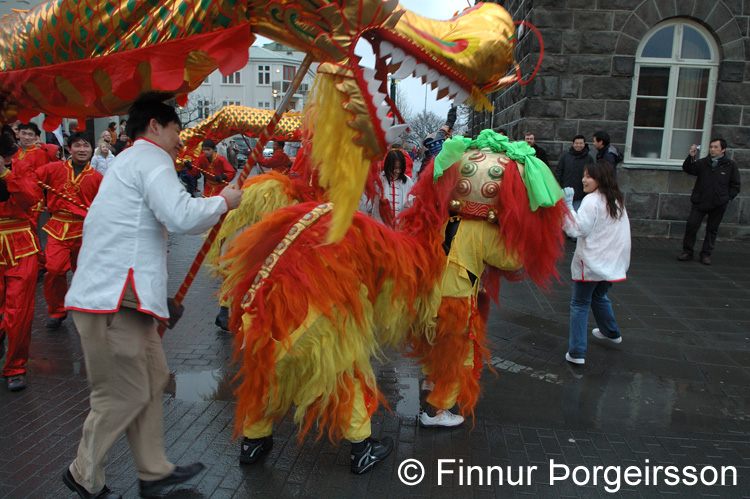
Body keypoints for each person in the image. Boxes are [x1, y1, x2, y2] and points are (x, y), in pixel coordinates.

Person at [62, 92, 243, 499]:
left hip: (128, 300)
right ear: (156, 126)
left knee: (155, 378)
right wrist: (223, 201)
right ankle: (83, 472)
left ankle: (153, 471)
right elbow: (179, 215)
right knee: (122, 393)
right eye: (178, 131)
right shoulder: (149, 157)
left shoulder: (130, 161)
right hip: (112, 300)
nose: (181, 140)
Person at [562, 160, 631, 365]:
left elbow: (576, 230)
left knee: (580, 303)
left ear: (600, 178)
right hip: (613, 262)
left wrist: (566, 206)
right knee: (599, 296)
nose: (584, 179)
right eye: (584, 175)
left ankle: (576, 352)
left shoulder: (592, 201)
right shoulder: (616, 199)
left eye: (589, 176)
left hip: (593, 262)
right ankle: (611, 332)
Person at [37, 132, 103, 329]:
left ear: (92, 150)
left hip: (85, 230)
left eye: (86, 146)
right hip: (58, 227)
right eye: (77, 146)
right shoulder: (54, 169)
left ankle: (84, 307)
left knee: (84, 273)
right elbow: (31, 179)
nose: (82, 150)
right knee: (55, 269)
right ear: (69, 149)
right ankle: (57, 310)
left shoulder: (97, 177)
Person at [0, 125, 42, 392]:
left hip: (19, 244)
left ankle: (15, 367)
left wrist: (5, 174)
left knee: (19, 311)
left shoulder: (21, 166)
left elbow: (31, 197)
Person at [678, 139, 741, 265]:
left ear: (723, 149)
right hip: (700, 201)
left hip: (718, 203)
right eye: (711, 147)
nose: (712, 149)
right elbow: (689, 169)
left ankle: (706, 254)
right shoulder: (703, 163)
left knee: (712, 229)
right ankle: (687, 251)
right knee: (692, 225)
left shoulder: (730, 165)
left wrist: (727, 197)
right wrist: (691, 156)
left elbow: (735, 184)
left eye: (716, 147)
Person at [359, 150, 414, 227]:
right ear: (388, 165)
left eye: (400, 168)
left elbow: (411, 202)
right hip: (380, 224)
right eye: (394, 168)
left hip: (399, 225)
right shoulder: (379, 179)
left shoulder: (408, 181)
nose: (397, 171)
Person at [555, 135, 594, 211]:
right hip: (565, 193)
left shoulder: (589, 159)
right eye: (576, 143)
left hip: (580, 195)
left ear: (584, 144)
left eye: (580, 143)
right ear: (573, 144)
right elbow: (558, 172)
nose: (578, 145)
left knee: (577, 217)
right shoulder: (566, 157)